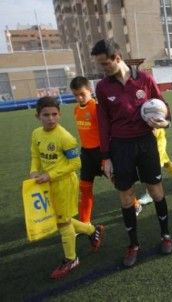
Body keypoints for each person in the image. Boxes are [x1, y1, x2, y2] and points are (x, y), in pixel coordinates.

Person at [92, 39, 172, 267]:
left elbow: (163, 106)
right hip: (120, 147)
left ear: (117, 57)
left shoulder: (144, 79)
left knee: (156, 191)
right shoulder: (103, 87)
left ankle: (166, 235)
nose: (103, 69)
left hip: (146, 142)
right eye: (100, 65)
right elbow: (103, 122)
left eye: (105, 64)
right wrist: (105, 156)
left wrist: (164, 122)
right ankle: (133, 244)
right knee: (126, 197)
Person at [30, 96, 103, 279]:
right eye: (46, 115)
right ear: (37, 116)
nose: (51, 118)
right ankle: (92, 230)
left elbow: (76, 163)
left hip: (64, 184)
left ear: (59, 115)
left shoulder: (64, 137)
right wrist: (33, 171)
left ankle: (71, 258)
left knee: (63, 222)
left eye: (54, 114)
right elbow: (35, 156)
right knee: (60, 220)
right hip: (47, 185)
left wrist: (50, 174)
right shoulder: (36, 134)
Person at [71, 76, 144, 220]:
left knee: (118, 182)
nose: (79, 98)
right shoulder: (76, 110)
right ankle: (85, 223)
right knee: (84, 188)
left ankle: (135, 204)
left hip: (101, 153)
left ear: (90, 90)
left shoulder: (96, 108)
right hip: (86, 154)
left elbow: (106, 130)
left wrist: (108, 154)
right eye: (75, 95)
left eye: (82, 94)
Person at [138, 128, 172, 204]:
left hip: (156, 138)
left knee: (151, 167)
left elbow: (162, 119)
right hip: (149, 138)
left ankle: (149, 195)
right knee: (166, 163)